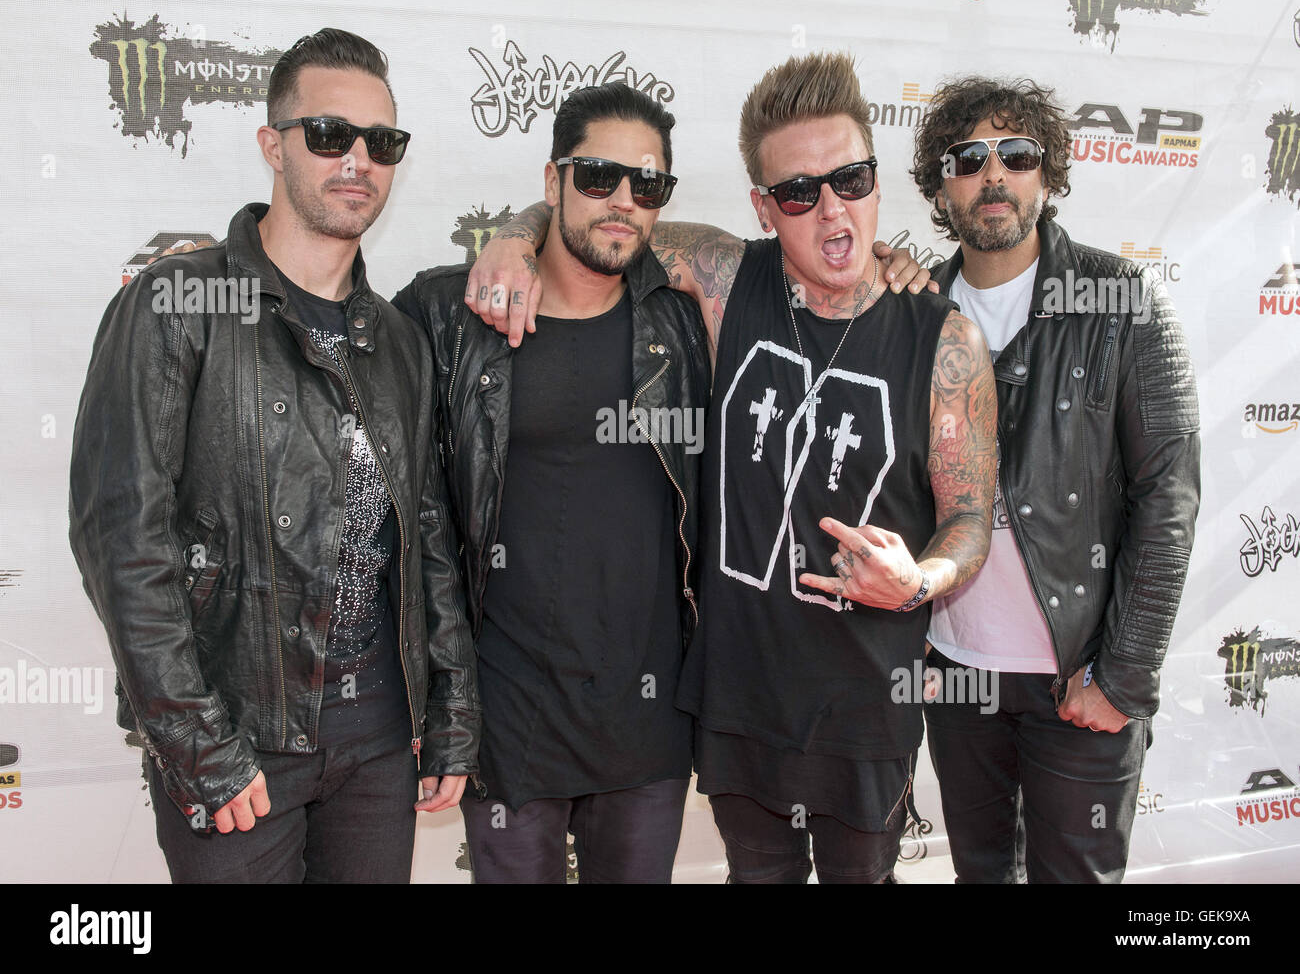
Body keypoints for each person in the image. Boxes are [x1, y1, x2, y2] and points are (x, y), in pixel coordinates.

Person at [469, 52, 995, 883]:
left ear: (876, 181)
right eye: (799, 192)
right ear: (763, 205)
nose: (831, 208)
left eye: (851, 179)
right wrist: (511, 236)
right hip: (739, 702)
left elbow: (970, 517)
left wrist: (921, 578)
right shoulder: (725, 278)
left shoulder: (946, 339)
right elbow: (609, 214)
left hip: (865, 709)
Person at [68, 28, 479, 884]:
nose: (357, 160)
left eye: (382, 142)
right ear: (272, 145)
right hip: (240, 736)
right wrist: (197, 745)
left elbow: (428, 541)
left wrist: (450, 711)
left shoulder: (399, 341)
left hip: (376, 743)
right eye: (329, 134)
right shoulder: (180, 302)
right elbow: (121, 540)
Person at [392, 83, 710, 883]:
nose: (624, 203)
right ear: (552, 179)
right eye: (598, 177)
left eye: (648, 186)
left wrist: (890, 258)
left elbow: (809, 249)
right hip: (506, 716)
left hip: (648, 718)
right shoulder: (449, 313)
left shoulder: (687, 313)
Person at [910, 76, 1200, 883]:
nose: (992, 174)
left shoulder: (1121, 299)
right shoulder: (914, 310)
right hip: (955, 669)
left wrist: (1125, 674)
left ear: (1049, 172)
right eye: (967, 158)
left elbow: (1168, 499)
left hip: (1079, 675)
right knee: (980, 874)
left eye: (1017, 153)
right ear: (943, 184)